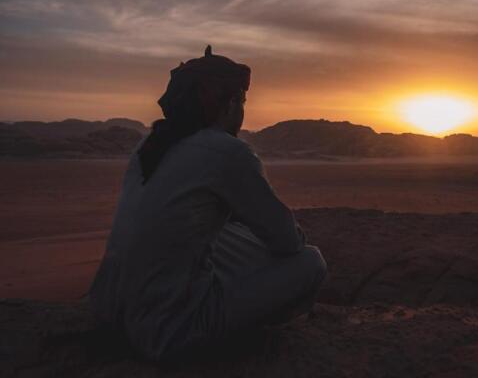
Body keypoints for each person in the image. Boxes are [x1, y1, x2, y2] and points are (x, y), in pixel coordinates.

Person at [89, 45, 327, 361]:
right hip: (168, 332)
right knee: (310, 262)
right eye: (241, 102)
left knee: (223, 233)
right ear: (228, 105)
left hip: (109, 312)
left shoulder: (150, 144)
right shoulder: (226, 153)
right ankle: (249, 339)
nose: (242, 112)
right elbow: (287, 240)